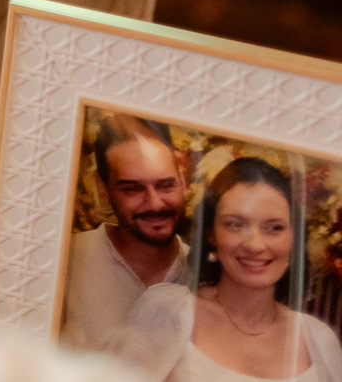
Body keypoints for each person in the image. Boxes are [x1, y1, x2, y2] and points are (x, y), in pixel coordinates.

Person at [109, 156, 342, 382]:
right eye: (235, 225)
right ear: (211, 234)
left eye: (274, 228)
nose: (255, 245)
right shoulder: (168, 311)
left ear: (293, 239)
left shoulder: (318, 339)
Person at [62, 115, 190, 351]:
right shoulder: (65, 260)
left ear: (182, 180)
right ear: (104, 189)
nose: (155, 204)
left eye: (165, 185)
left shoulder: (206, 276)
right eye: (132, 189)